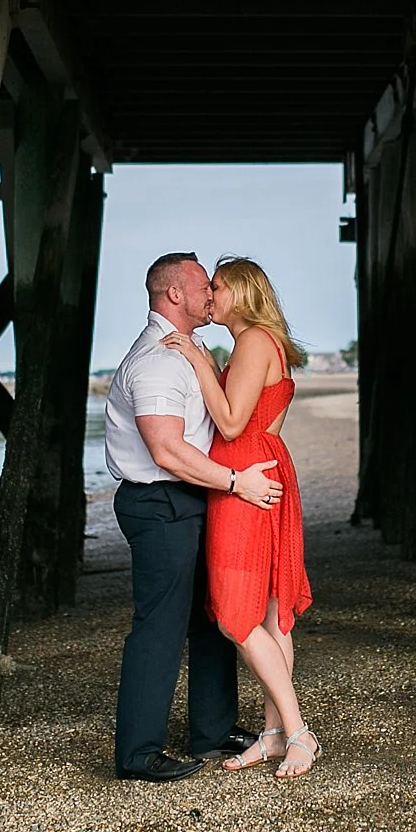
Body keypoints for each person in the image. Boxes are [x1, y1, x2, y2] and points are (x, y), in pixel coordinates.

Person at [107, 251, 285, 783]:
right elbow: (166, 450)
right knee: (159, 626)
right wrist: (236, 482)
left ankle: (213, 730)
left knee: (210, 619)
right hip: (161, 503)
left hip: (194, 497)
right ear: (174, 295)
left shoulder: (189, 353)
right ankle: (138, 753)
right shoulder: (158, 360)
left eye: (215, 286)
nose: (211, 293)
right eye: (203, 286)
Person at [162, 257, 319, 779]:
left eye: (219, 287)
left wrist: (200, 361)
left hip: (246, 482)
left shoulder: (252, 341)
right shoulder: (260, 341)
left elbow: (230, 424)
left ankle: (297, 732)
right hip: (260, 472)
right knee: (272, 615)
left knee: (236, 616)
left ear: (244, 293)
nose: (211, 294)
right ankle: (274, 733)